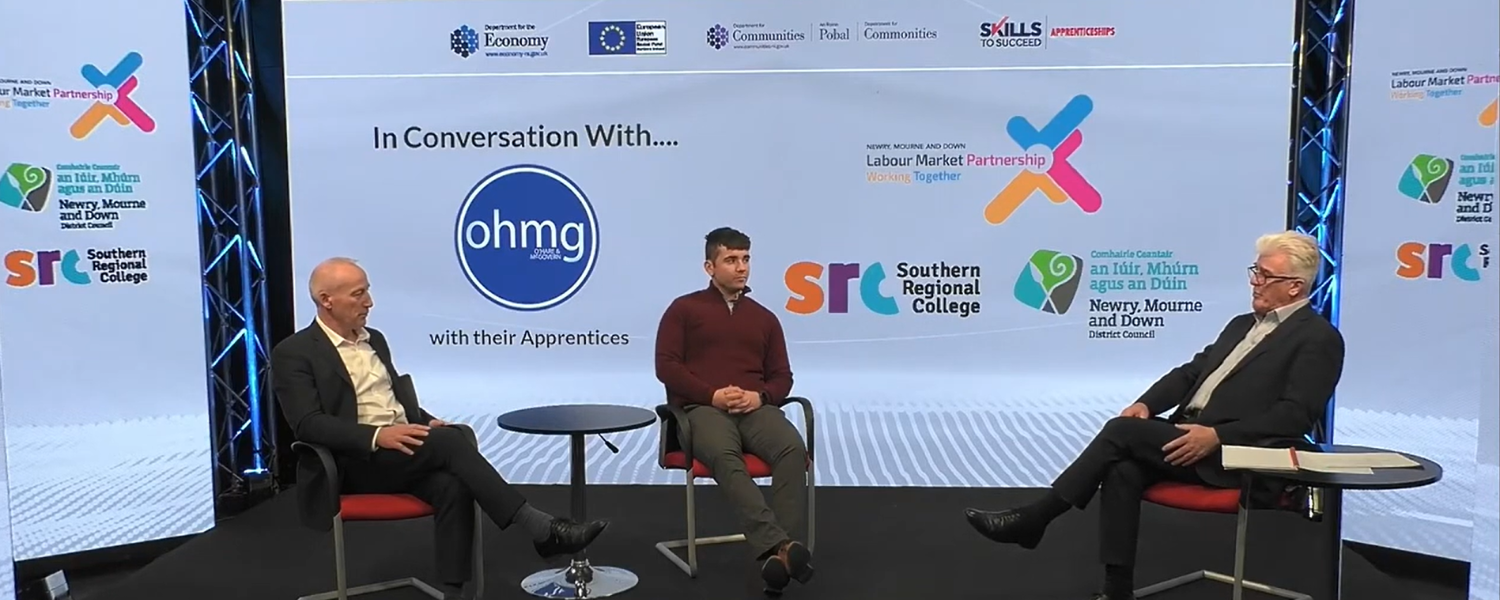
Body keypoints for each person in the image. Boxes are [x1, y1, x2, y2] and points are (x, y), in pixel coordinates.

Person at [963, 231, 1345, 600]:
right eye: (1254, 272)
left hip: (1237, 455)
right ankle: (1116, 589)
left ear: (1294, 287)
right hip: (1188, 436)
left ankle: (1037, 517)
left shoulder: (1318, 338)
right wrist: (1147, 404)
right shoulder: (1241, 325)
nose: (1254, 282)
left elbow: (1294, 416)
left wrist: (1216, 437)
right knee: (1123, 468)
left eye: (1265, 276)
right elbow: (1190, 373)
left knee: (1121, 433)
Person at [272, 257, 608, 600]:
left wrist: (424, 420)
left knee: (452, 482)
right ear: (326, 300)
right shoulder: (294, 353)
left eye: (368, 291)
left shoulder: (376, 340)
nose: (369, 302)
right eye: (358, 294)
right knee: (450, 442)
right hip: (353, 461)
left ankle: (453, 593)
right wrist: (377, 435)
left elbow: (392, 401)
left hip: (401, 453)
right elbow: (307, 423)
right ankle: (542, 528)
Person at [654, 227, 813, 593]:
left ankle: (779, 558)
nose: (741, 267)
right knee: (726, 457)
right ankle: (781, 547)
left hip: (755, 409)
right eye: (731, 260)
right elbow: (667, 367)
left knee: (792, 449)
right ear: (709, 267)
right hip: (701, 410)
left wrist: (761, 397)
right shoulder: (684, 310)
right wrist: (711, 395)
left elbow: (782, 376)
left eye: (745, 259)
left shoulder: (765, 318)